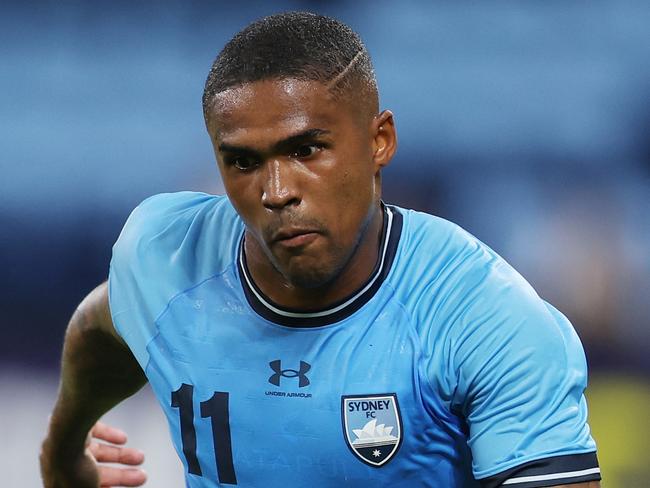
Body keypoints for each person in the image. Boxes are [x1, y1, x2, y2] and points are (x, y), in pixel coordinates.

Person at [40, 11, 602, 488]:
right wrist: (64, 446)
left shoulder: (486, 319)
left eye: (307, 149)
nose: (277, 191)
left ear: (379, 140)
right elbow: (102, 322)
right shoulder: (163, 255)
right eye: (243, 162)